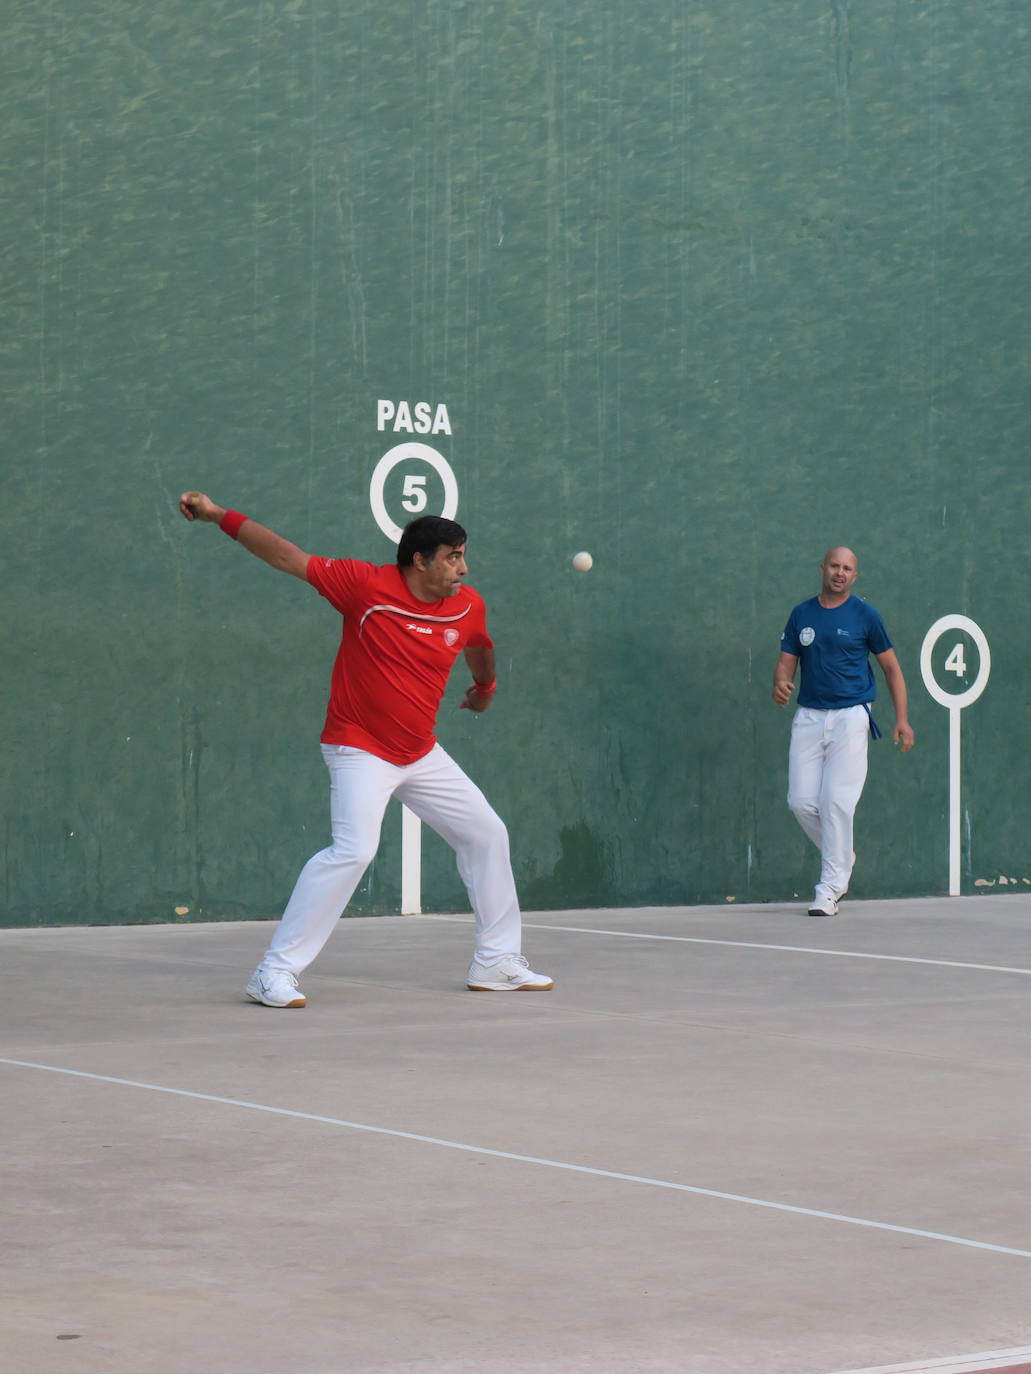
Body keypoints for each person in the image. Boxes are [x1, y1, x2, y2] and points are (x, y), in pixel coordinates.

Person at [178, 492, 553, 1004]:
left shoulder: (467, 604)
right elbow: (286, 555)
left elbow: (480, 645)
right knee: (354, 850)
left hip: (420, 752)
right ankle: (274, 971)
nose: (463, 567)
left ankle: (497, 961)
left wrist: (485, 691)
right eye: (453, 557)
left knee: (486, 833)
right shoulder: (364, 586)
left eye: (463, 555)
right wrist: (220, 516)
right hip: (359, 747)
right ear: (419, 560)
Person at [771, 546, 915, 917]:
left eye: (847, 568)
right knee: (801, 802)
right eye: (834, 566)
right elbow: (785, 665)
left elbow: (892, 670)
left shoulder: (866, 616)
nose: (840, 572)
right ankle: (842, 855)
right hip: (809, 717)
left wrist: (902, 719)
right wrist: (781, 683)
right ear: (822, 568)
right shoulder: (801, 614)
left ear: (855, 576)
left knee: (836, 802)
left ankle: (830, 888)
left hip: (852, 716)